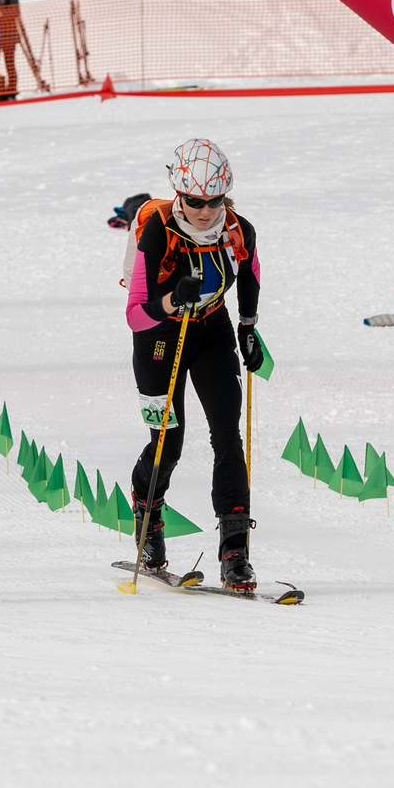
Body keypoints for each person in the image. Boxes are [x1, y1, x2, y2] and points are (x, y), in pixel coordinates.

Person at [125, 139, 266, 591]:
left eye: (215, 201)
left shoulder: (238, 229)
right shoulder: (157, 232)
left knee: (228, 434)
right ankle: (148, 519)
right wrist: (171, 299)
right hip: (159, 339)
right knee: (168, 443)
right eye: (195, 201)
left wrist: (248, 327)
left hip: (210, 331)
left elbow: (250, 276)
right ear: (179, 194)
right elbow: (135, 314)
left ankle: (235, 552)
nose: (206, 212)